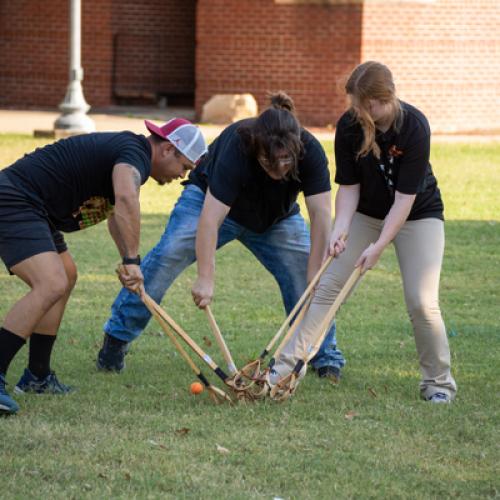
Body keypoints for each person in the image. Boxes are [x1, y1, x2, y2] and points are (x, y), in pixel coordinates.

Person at [97, 92, 345, 379]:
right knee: (168, 254)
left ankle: (322, 354)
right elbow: (210, 219)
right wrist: (205, 278)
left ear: (295, 150)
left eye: (285, 165)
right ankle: (117, 338)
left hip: (276, 218)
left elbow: (321, 218)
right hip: (210, 202)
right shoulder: (239, 144)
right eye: (268, 163)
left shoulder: (310, 151)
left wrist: (315, 275)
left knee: (306, 277)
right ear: (257, 148)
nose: (277, 172)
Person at [271, 62, 457, 403]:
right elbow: (349, 187)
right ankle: (283, 372)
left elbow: (404, 200)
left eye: (361, 104)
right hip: (365, 213)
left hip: (418, 215)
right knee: (326, 289)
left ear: (380, 99)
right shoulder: (350, 126)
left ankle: (438, 384)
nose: (355, 111)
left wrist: (379, 246)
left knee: (422, 301)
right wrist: (340, 230)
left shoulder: (414, 127)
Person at [0, 118, 207, 415]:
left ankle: (37, 376)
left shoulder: (132, 155)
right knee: (51, 282)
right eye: (184, 167)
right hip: (16, 198)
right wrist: (134, 262)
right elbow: (125, 198)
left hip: (37, 208)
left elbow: (113, 215)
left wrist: (127, 261)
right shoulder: (134, 152)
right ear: (167, 150)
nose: (180, 176)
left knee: (66, 275)